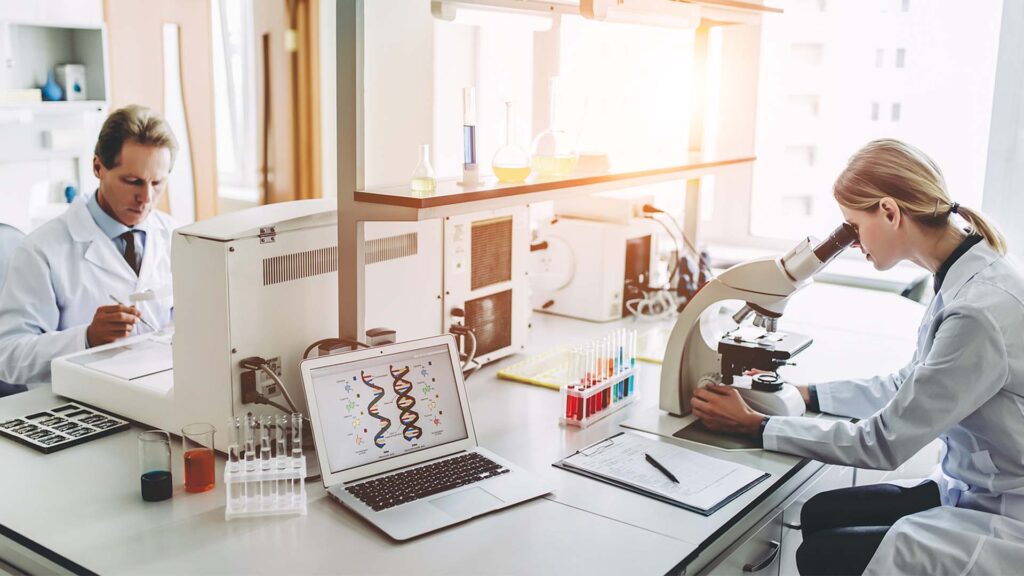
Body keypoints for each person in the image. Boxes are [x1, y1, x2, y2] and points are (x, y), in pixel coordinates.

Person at [690, 139, 1024, 575]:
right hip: (978, 487)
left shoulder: (978, 309)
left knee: (821, 555)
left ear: (889, 211)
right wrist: (804, 394)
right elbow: (909, 385)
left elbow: (882, 443)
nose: (852, 242)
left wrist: (759, 426)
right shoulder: (963, 273)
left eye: (853, 226)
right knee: (820, 513)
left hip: (1006, 516)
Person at [0, 105, 178, 393]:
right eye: (132, 181)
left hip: (156, 393)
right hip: (74, 404)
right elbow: (8, 356)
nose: (146, 197)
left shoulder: (174, 235)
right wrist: (87, 338)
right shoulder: (41, 250)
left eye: (157, 183)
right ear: (98, 167)